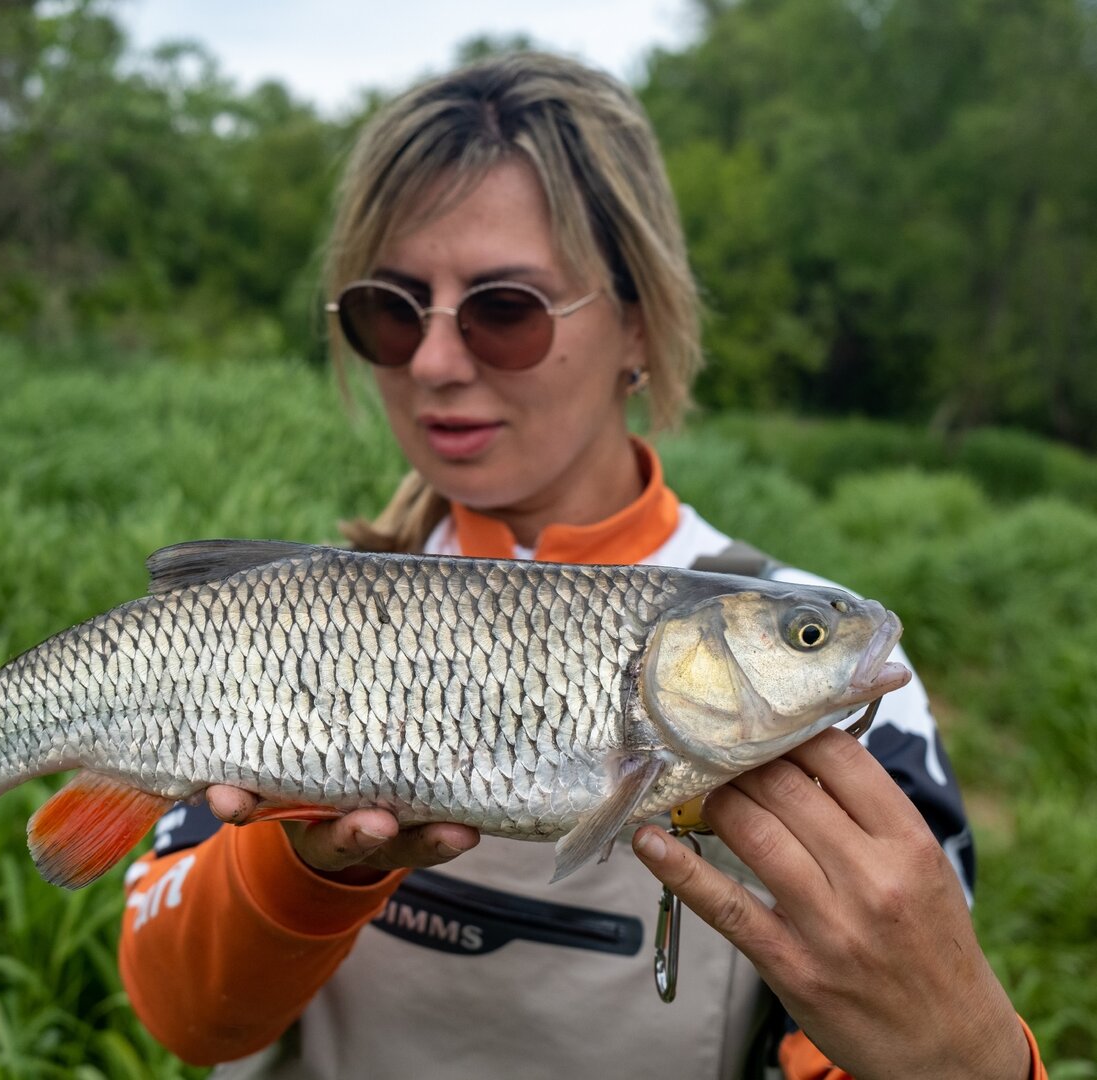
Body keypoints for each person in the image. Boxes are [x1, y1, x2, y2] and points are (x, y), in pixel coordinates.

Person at [118, 52, 1045, 1079]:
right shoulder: (278, 622)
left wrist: (969, 1059)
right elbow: (184, 1020)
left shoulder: (823, 679)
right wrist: (303, 864)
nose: (433, 362)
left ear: (637, 321)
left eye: (504, 308)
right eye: (391, 308)